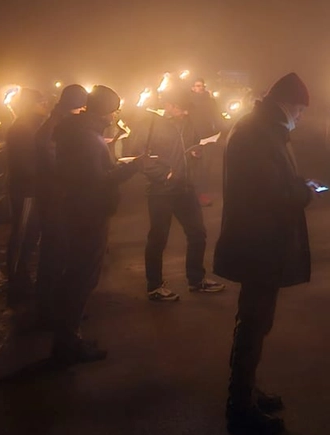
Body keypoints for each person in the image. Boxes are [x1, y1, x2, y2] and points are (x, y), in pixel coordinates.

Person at [213, 73, 312, 435]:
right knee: (254, 322)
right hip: (259, 241)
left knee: (255, 320)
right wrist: (302, 193)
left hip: (259, 239)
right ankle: (240, 407)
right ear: (286, 104)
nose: (301, 117)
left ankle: (247, 390)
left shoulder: (259, 128)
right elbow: (268, 192)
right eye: (300, 109)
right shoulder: (258, 134)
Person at [52, 86, 150, 364]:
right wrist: (132, 167)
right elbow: (97, 181)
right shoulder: (85, 137)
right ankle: (67, 344)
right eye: (115, 109)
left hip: (81, 211)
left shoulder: (80, 132)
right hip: (88, 214)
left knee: (78, 275)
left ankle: (69, 337)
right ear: (106, 111)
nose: (117, 114)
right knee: (81, 277)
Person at [130, 93, 226, 302]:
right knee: (158, 238)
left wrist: (194, 152)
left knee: (197, 232)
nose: (186, 112)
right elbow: (138, 154)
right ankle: (154, 286)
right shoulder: (150, 123)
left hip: (184, 187)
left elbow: (188, 146)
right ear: (169, 105)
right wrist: (163, 175)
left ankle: (196, 279)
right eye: (181, 108)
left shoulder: (185, 122)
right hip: (161, 190)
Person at [33, 85, 88, 328]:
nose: (84, 112)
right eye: (82, 107)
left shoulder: (57, 122)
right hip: (56, 197)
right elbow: (56, 161)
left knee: (58, 253)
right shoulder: (55, 127)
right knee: (56, 253)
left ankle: (57, 309)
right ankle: (52, 312)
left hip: (58, 196)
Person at [5, 88, 50, 308]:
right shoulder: (22, 128)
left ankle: (22, 280)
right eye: (40, 101)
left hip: (36, 188)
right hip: (26, 191)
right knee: (22, 236)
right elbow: (26, 164)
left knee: (31, 236)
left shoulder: (35, 125)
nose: (45, 104)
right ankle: (15, 284)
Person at [187, 78, 222, 207]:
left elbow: (217, 116)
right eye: (197, 86)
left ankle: (202, 194)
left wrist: (220, 130)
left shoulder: (210, 101)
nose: (200, 88)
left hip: (209, 138)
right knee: (191, 168)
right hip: (193, 138)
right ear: (192, 88)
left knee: (204, 168)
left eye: (202, 86)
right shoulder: (188, 102)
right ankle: (190, 195)